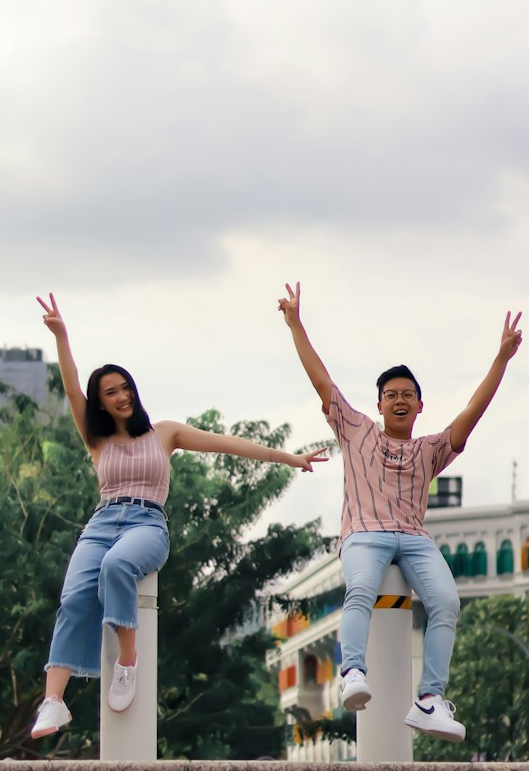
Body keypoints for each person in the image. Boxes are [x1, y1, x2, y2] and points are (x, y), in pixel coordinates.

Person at [30, 292, 328, 740]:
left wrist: (289, 458)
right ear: (101, 403)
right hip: (101, 522)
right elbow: (72, 386)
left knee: (116, 567)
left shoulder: (164, 433)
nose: (121, 396)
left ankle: (125, 663)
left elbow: (226, 443)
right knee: (73, 596)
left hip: (147, 524)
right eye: (110, 393)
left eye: (125, 387)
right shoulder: (97, 441)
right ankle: (54, 701)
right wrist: (62, 337)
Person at [278, 281, 522, 743]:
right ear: (379, 403)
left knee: (447, 602)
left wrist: (502, 359)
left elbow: (474, 410)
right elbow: (321, 379)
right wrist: (296, 323)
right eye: (391, 394)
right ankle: (353, 672)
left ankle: (429, 699)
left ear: (419, 404)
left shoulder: (430, 450)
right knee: (362, 588)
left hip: (413, 537)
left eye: (408, 394)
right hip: (364, 534)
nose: (400, 400)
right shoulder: (356, 430)